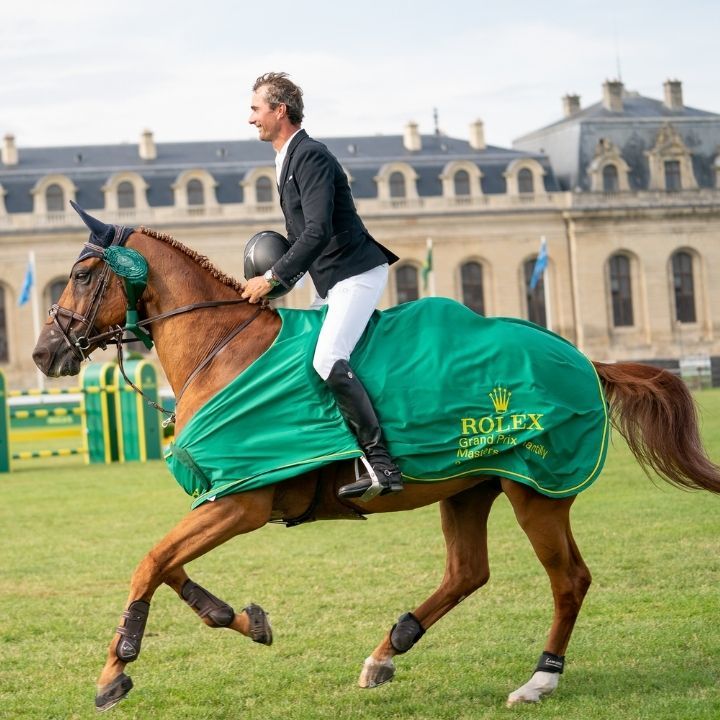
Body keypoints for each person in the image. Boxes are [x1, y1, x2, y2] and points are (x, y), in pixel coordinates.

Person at [242, 72, 403, 501]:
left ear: (280, 111)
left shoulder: (310, 155)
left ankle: (382, 464)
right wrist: (274, 286)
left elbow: (315, 232)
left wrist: (273, 278)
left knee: (329, 357)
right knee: (303, 357)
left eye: (256, 109)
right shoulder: (285, 159)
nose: (250, 118)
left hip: (356, 274)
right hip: (331, 281)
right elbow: (302, 240)